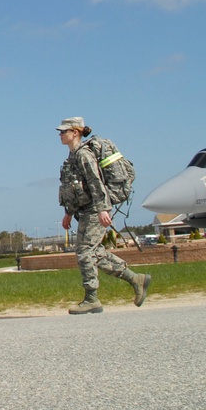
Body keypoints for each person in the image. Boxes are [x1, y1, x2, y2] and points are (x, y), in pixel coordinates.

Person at [56, 116, 150, 314]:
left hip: (95, 209)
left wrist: (103, 209)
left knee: (84, 253)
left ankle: (92, 298)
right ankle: (136, 279)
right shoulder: (72, 157)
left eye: (64, 131)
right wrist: (68, 212)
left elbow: (95, 183)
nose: (60, 134)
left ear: (76, 132)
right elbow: (73, 188)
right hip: (85, 210)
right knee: (95, 253)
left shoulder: (84, 156)